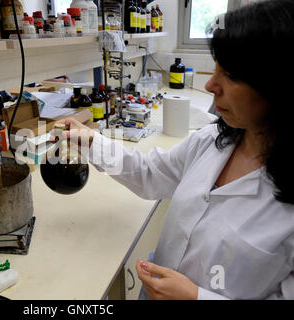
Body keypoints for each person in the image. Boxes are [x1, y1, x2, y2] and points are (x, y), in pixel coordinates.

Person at [52, 0, 294, 299]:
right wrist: (90, 141)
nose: (210, 85)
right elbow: (149, 174)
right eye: (215, 69)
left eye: (230, 75)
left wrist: (198, 298)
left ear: (279, 86)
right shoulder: (213, 140)